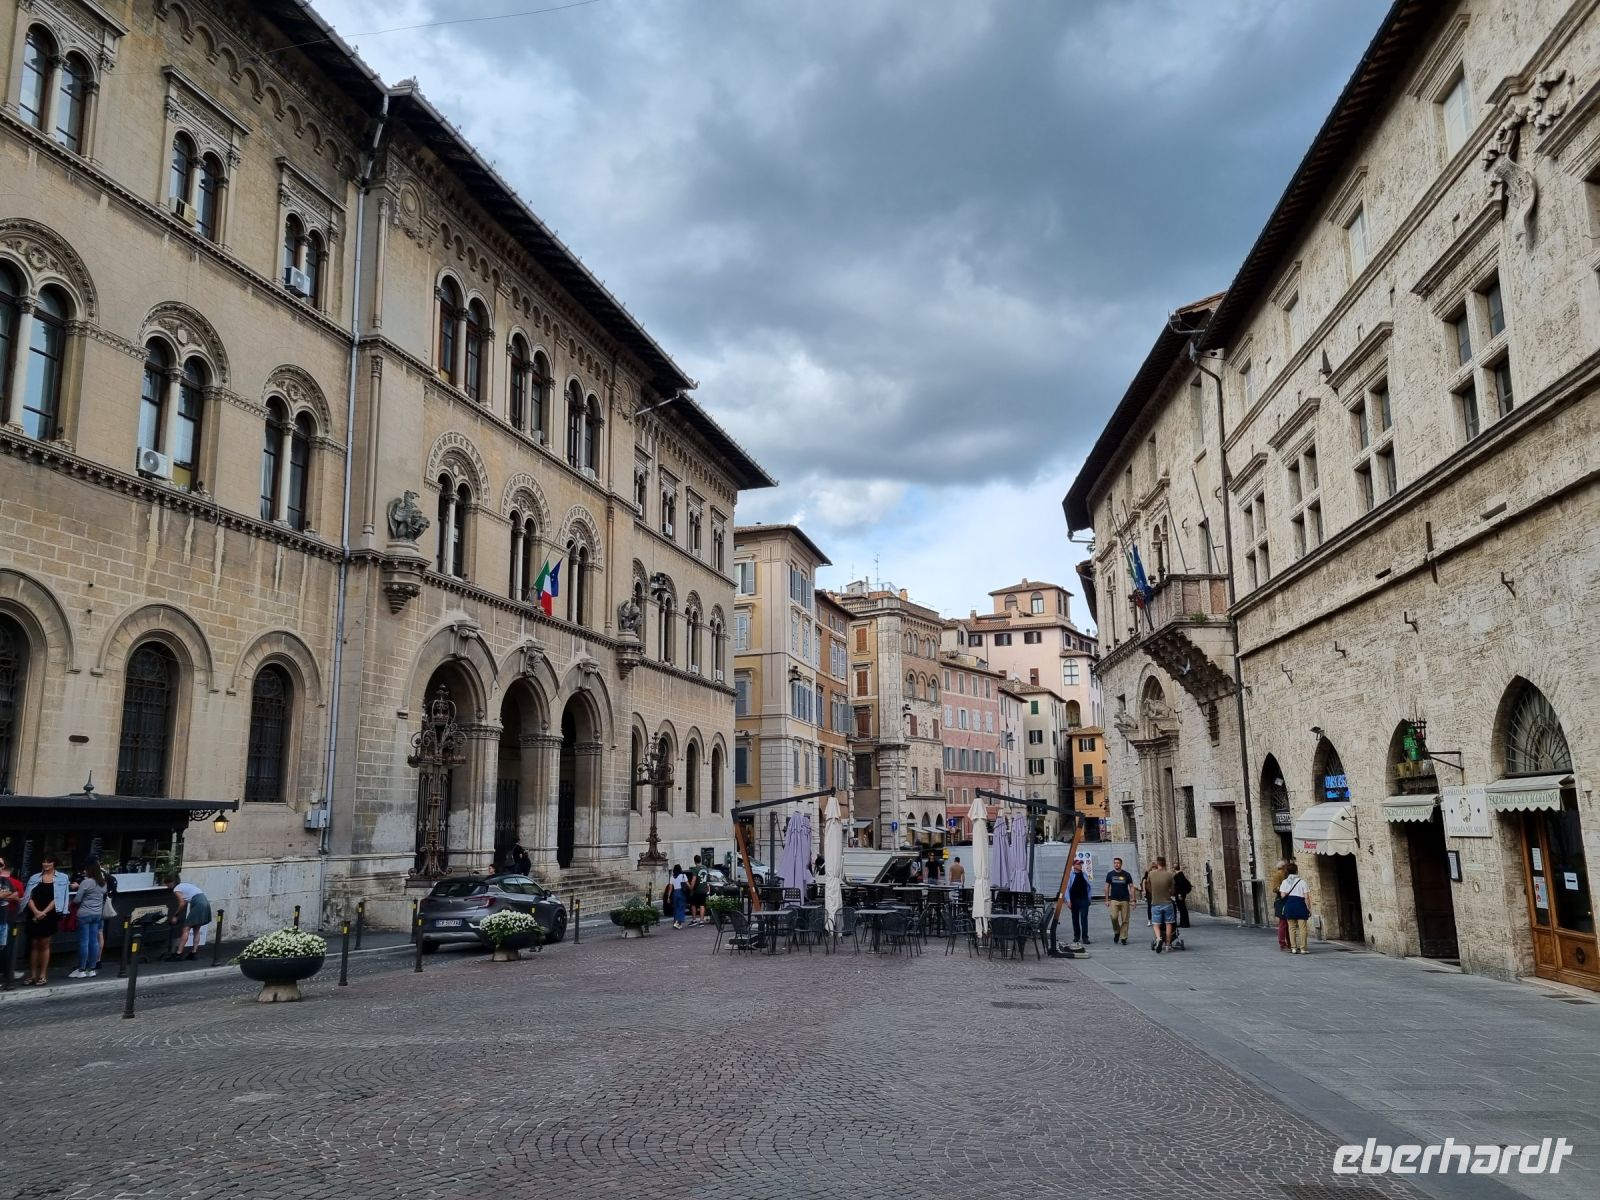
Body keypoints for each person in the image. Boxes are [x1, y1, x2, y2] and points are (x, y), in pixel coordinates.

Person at [24, 856, 69, 985]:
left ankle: (42, 975)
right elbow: (28, 896)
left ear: (54, 863)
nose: (45, 864)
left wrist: (43, 912)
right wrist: (36, 912)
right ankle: (32, 975)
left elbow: (60, 897)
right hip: (34, 913)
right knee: (33, 944)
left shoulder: (62, 878)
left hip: (49, 914)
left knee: (44, 943)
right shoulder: (34, 877)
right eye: (44, 861)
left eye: (48, 861)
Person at [165, 874, 212, 961]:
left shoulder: (177, 889)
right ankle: (194, 953)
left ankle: (178, 954)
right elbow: (186, 901)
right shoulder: (185, 885)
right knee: (196, 929)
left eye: (167, 883)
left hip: (198, 904)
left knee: (186, 929)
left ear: (172, 882)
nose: (167, 886)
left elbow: (182, 903)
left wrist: (175, 915)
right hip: (205, 902)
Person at [1145, 856, 1177, 953]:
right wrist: (1169, 893)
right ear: (1165, 864)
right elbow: (1173, 890)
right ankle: (1168, 944)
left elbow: (1147, 886)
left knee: (1156, 923)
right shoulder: (1170, 875)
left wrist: (1153, 892)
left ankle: (1159, 938)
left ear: (1157, 864)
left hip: (1156, 902)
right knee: (1168, 923)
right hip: (1167, 902)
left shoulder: (1151, 874)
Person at [1104, 857, 1138, 945]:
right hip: (1114, 899)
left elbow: (1131, 887)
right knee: (1113, 917)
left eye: (1118, 863)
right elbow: (1107, 887)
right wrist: (1107, 899)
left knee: (1125, 919)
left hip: (1125, 899)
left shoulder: (1126, 874)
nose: (1116, 864)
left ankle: (1123, 937)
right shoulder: (1110, 874)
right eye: (1115, 863)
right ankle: (1117, 931)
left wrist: (1133, 900)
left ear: (1121, 864)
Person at [1279, 861, 1311, 954]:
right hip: (1300, 905)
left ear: (1287, 871)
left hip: (1289, 905)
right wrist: (1309, 908)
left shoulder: (1285, 882)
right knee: (1303, 928)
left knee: (1291, 928)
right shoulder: (1302, 882)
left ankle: (1293, 948)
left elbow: (1282, 896)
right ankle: (1303, 948)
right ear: (1296, 871)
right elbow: (1306, 897)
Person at [0, 855, 22, 967]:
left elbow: (16, 895)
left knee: (3, 947)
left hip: (5, 918)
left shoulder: (8, 881)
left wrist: (4, 895)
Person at [1067, 856, 1092, 945]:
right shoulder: (1070, 875)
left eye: (1081, 864)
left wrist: (1089, 898)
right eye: (1078, 864)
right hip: (1074, 900)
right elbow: (1067, 889)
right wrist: (1068, 900)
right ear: (1074, 865)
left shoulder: (1084, 874)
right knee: (1075, 918)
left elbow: (1089, 887)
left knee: (1084, 918)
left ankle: (1085, 937)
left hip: (1084, 899)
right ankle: (1076, 936)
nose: (1080, 865)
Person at [1268, 858, 1290, 951]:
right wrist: (1284, 890)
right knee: (1283, 923)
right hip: (1281, 900)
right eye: (1286, 866)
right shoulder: (1278, 875)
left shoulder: (1287, 875)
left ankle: (1289, 943)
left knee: (1288, 923)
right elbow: (1274, 888)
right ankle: (1282, 943)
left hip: (1286, 899)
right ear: (1283, 866)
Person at [689, 855, 710, 926]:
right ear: (700, 860)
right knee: (702, 905)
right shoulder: (705, 868)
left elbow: (694, 880)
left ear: (694, 861)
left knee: (693, 904)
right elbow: (707, 879)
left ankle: (694, 920)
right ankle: (701, 921)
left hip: (697, 890)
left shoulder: (695, 869)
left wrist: (691, 889)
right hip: (704, 889)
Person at [668, 863, 689, 930]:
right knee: (681, 907)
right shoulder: (683, 876)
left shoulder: (672, 877)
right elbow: (687, 884)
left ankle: (676, 922)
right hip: (681, 892)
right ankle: (678, 923)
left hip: (675, 893)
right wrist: (691, 889)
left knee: (676, 908)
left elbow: (670, 888)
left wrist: (668, 897)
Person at [1172, 863, 1193, 928]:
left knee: (1182, 908)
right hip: (1180, 894)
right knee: (1182, 908)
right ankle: (1183, 923)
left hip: (1180, 894)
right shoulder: (1180, 875)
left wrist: (1179, 894)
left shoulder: (1179, 875)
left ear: (1174, 868)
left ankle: (1185, 923)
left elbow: (1180, 886)